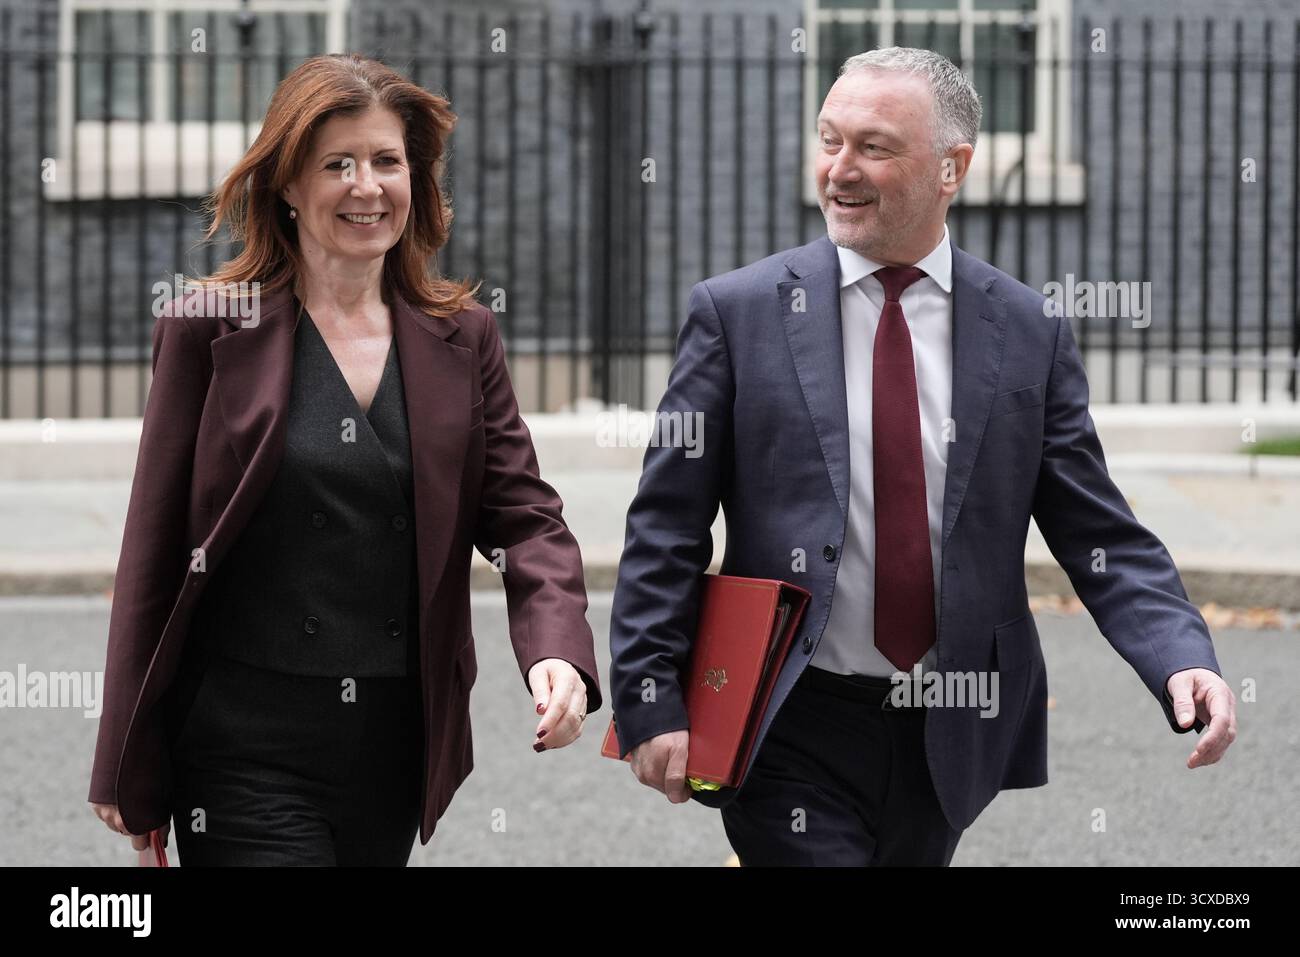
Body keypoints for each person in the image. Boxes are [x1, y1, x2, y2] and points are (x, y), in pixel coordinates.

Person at [607, 47, 1236, 866]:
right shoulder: (737, 314)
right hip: (789, 713)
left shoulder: (1026, 331)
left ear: (953, 167)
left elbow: (1096, 528)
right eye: (829, 140)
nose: (840, 169)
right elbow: (666, 526)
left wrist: (1182, 656)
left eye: (873, 146)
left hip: (949, 724)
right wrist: (651, 699)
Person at [88, 54, 601, 865]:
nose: (368, 186)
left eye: (387, 161)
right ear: (288, 184)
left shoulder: (462, 336)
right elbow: (153, 550)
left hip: (391, 748)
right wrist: (127, 756)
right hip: (242, 745)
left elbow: (525, 517)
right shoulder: (207, 330)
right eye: (338, 164)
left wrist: (556, 651)